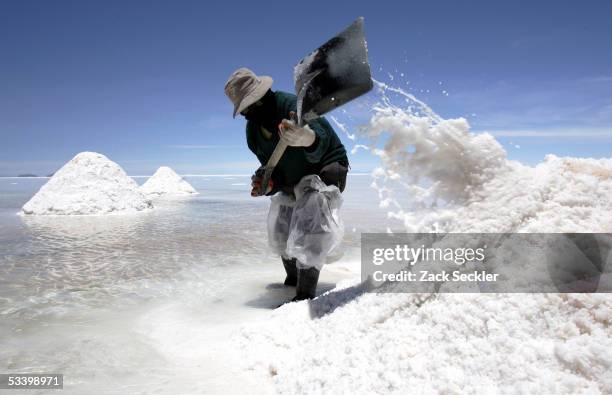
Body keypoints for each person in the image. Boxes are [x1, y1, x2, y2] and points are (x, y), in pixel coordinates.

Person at [224, 67, 349, 302]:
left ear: (263, 96)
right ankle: (292, 280)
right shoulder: (253, 133)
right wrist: (268, 183)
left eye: (251, 105)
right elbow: (275, 171)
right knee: (281, 223)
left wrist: (306, 138)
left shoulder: (293, 107)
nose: (248, 113)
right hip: (294, 179)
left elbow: (322, 142)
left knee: (312, 212)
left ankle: (304, 295)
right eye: (244, 110)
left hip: (326, 169)